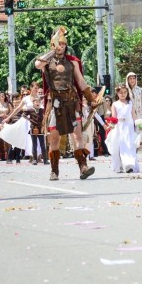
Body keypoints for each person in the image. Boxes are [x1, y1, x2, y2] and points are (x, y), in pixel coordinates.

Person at [34, 26, 100, 181]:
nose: (61, 47)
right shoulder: (46, 61)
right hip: (55, 103)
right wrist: (52, 49)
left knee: (77, 136)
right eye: (58, 44)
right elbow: (37, 64)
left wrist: (91, 99)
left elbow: (81, 82)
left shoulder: (73, 62)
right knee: (55, 138)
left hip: (71, 102)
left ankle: (83, 167)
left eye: (63, 44)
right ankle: (54, 171)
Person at [106, 85, 140, 173]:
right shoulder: (115, 104)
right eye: (121, 92)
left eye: (125, 92)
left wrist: (138, 123)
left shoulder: (130, 103)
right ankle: (121, 164)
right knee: (120, 145)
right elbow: (114, 117)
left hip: (129, 126)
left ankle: (129, 164)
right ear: (117, 93)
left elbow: (134, 116)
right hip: (119, 126)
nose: (123, 94)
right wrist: (112, 124)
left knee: (129, 144)